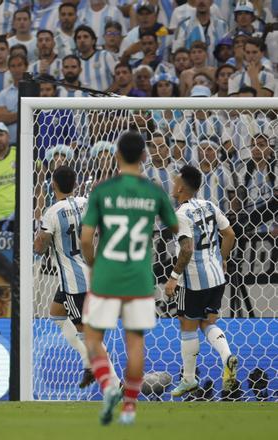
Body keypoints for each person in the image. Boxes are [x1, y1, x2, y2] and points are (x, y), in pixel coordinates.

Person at [80, 130, 179, 425]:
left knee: (93, 337)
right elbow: (177, 229)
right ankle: (130, 408)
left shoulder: (101, 190)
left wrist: (94, 263)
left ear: (117, 155)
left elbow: (86, 239)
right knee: (135, 343)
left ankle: (109, 385)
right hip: (139, 277)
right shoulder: (154, 191)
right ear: (145, 157)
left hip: (107, 275)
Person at [34, 165, 120, 389]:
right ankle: (89, 364)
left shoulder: (52, 212)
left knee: (88, 336)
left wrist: (39, 234)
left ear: (53, 185)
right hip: (89, 272)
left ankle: (114, 382)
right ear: (75, 183)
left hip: (75, 282)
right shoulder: (87, 203)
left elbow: (39, 247)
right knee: (56, 314)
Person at [165, 165, 238, 397]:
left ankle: (188, 379)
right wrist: (223, 259)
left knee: (188, 327)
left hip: (194, 281)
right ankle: (227, 356)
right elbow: (230, 234)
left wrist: (173, 278)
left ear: (180, 186)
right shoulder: (209, 205)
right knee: (208, 322)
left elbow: (186, 249)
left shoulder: (181, 214)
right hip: (217, 276)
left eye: (175, 180)